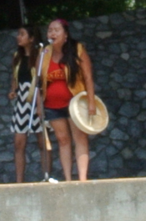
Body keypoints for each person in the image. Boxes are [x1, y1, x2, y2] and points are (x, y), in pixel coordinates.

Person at [35, 18, 100, 181]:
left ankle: (82, 178)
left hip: (75, 104)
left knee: (80, 138)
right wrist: (38, 105)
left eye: (56, 30)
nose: (52, 33)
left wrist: (91, 102)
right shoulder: (44, 54)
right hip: (51, 104)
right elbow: (37, 82)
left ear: (65, 34)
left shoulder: (77, 50)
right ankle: (68, 179)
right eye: (50, 30)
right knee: (62, 140)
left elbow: (88, 76)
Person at [5, 25, 49, 182]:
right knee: (18, 143)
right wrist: (13, 90)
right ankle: (19, 181)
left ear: (31, 38)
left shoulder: (40, 55)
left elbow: (39, 80)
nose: (18, 37)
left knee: (42, 141)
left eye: (22, 34)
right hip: (22, 100)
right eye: (18, 34)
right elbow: (15, 77)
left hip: (37, 97)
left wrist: (39, 105)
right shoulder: (17, 55)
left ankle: (45, 176)